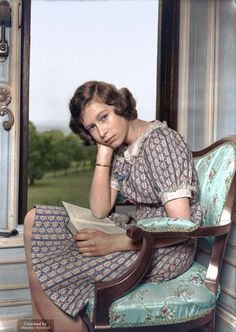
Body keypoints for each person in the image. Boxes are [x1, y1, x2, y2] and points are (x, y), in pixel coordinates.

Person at [24, 80, 202, 332]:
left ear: (120, 106)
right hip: (136, 231)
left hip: (166, 248)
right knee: (34, 219)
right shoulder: (121, 149)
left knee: (58, 269)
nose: (101, 132)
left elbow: (181, 227)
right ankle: (39, 327)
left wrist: (115, 242)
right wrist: (103, 154)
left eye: (104, 117)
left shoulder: (161, 142)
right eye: (92, 127)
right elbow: (100, 209)